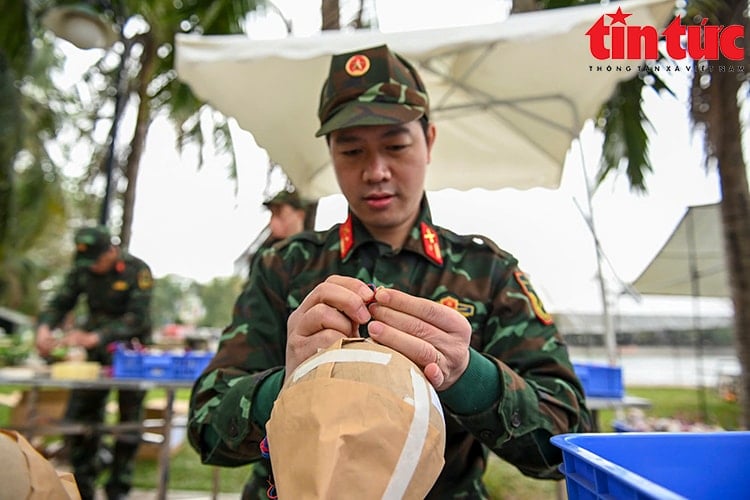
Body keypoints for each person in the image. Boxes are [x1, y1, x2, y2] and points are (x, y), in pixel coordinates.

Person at [188, 44, 593, 498]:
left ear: (429, 142)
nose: (376, 171)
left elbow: (569, 439)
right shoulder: (286, 266)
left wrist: (468, 377)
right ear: (330, 153)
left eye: (396, 146)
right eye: (352, 151)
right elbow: (206, 426)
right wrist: (287, 381)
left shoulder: (488, 272)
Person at [35, 225, 154, 500]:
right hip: (94, 359)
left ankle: (118, 490)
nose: (94, 268)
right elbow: (61, 301)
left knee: (128, 426)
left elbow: (138, 318)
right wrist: (45, 327)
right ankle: (83, 487)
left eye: (98, 261)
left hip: (130, 356)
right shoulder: (83, 270)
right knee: (78, 421)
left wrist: (95, 336)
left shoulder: (137, 270)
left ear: (112, 251)